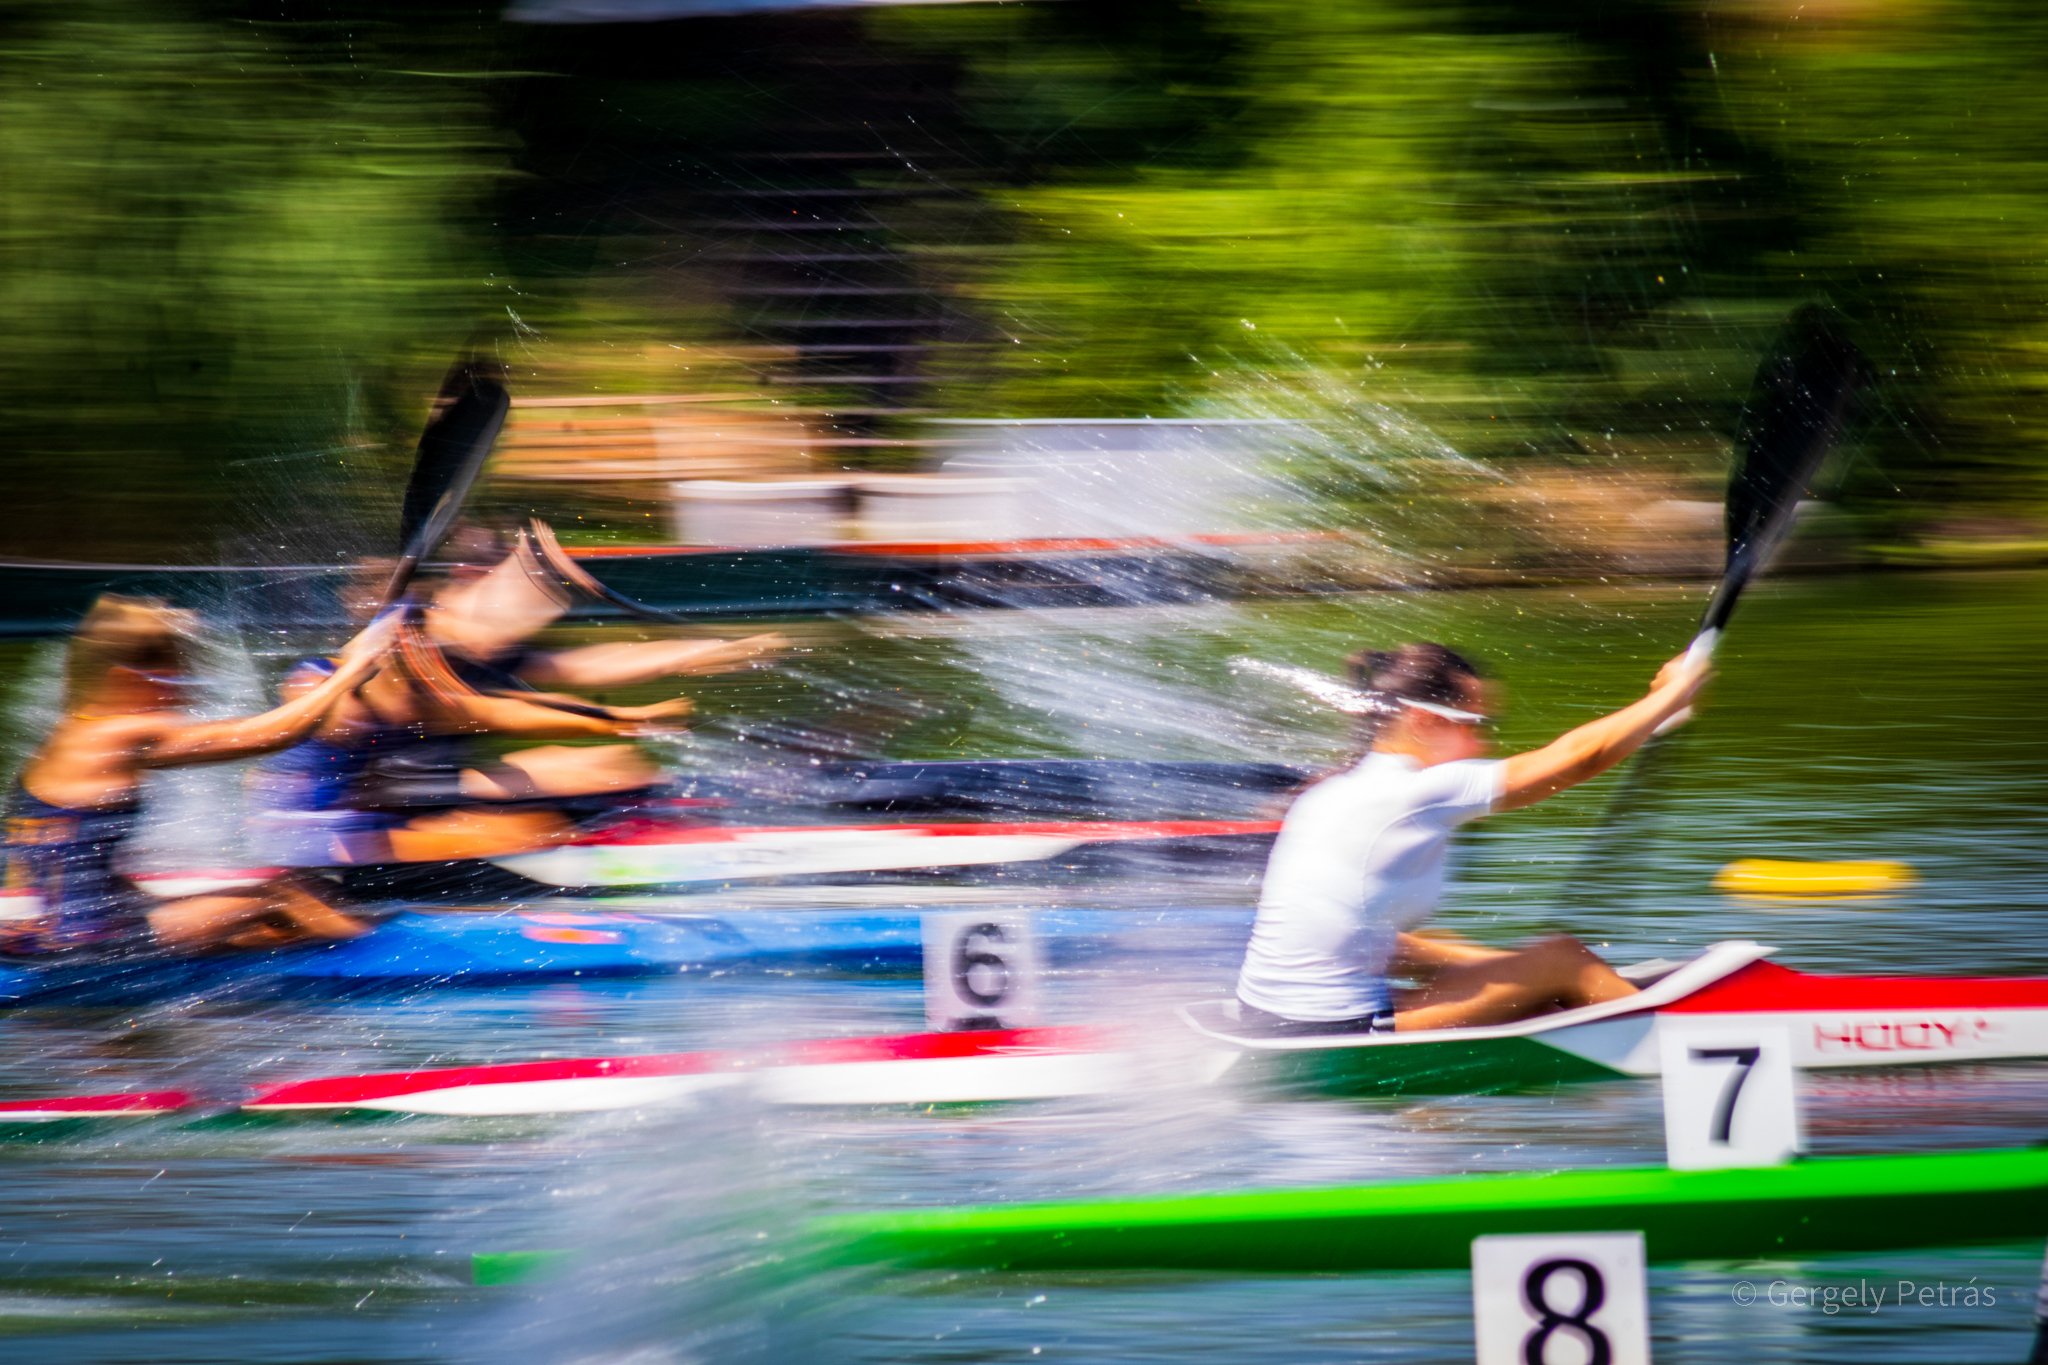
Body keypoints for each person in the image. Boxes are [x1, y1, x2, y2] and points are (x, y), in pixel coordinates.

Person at [1233, 641, 1710, 1035]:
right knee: (1562, 958)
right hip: (1332, 1026)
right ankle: (1688, 1049)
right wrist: (1673, 694)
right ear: (1423, 721)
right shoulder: (1414, 791)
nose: (1485, 745)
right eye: (1476, 725)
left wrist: (1510, 969)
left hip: (1275, 1018)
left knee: (1490, 960)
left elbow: (1383, 944)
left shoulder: (1334, 790)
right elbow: (1579, 759)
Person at [2, 596, 395, 956]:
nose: (186, 690)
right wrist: (351, 675)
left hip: (46, 932)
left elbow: (69, 860)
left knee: (265, 919)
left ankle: (307, 960)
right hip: (91, 940)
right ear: (130, 678)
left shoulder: (71, 735)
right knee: (283, 895)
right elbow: (271, 735)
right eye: (176, 676)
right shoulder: (120, 735)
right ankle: (385, 960)